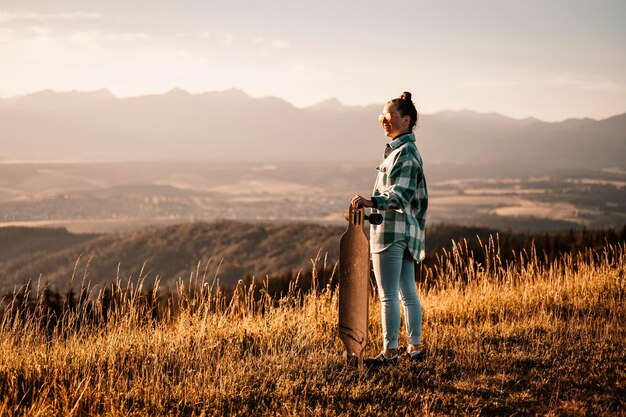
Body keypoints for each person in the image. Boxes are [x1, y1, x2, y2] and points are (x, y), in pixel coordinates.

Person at [350, 91, 428, 368]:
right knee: (407, 291)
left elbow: (401, 193)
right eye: (382, 114)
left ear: (405, 120)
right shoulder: (401, 149)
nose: (384, 119)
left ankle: (390, 353)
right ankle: (415, 348)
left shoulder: (404, 153)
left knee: (388, 295)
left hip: (392, 232)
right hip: (404, 231)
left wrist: (372, 202)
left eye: (390, 115)